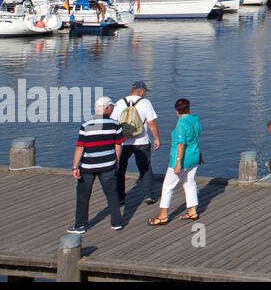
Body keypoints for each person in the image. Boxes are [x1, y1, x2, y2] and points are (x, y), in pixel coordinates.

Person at [69, 96, 124, 234]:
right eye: (111, 107)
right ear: (106, 109)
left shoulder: (86, 125)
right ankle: (116, 222)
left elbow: (79, 147)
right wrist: (117, 161)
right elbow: (118, 146)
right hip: (108, 165)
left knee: (83, 196)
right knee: (112, 194)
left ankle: (80, 225)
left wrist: (75, 166)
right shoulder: (116, 125)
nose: (113, 109)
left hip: (88, 166)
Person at [148, 98, 202, 226]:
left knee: (168, 186)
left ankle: (163, 215)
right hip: (194, 156)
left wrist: (178, 163)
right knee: (189, 182)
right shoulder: (196, 119)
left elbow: (180, 145)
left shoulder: (181, 124)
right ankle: (193, 210)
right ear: (188, 108)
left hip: (182, 159)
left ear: (176, 111)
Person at [112, 80, 160, 210]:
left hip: (123, 142)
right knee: (145, 168)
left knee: (120, 168)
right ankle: (148, 195)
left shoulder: (120, 102)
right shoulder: (145, 103)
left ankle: (120, 197)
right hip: (142, 141)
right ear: (141, 91)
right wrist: (156, 138)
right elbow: (151, 123)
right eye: (145, 92)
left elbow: (113, 123)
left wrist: (113, 141)